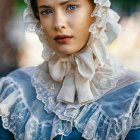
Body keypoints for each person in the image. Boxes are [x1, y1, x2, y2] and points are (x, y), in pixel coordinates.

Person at [0, 0, 140, 139]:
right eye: (46, 11)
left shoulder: (133, 95)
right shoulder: (15, 90)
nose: (58, 23)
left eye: (71, 7)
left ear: (97, 11)